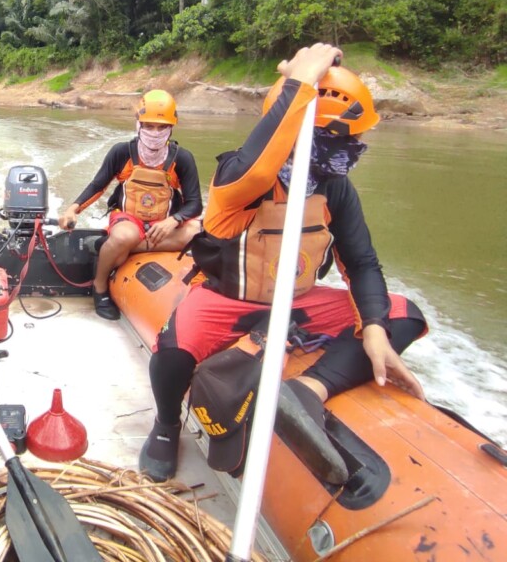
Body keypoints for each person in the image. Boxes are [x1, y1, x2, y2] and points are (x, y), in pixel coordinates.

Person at [139, 43, 428, 483]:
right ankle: (165, 424)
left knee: (402, 315)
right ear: (311, 134)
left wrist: (373, 326)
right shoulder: (239, 178)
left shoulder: (335, 188)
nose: (354, 149)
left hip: (299, 300)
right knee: (172, 354)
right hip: (228, 301)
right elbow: (258, 167)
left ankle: (309, 388)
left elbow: (362, 263)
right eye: (345, 139)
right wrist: (302, 79)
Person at [58, 89, 203, 320]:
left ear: (171, 127)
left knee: (195, 231)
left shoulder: (182, 158)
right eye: (149, 126)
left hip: (162, 224)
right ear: (138, 124)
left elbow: (195, 203)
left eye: (161, 127)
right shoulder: (122, 152)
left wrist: (172, 220)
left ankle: (110, 246)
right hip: (128, 219)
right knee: (125, 235)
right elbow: (98, 185)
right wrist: (73, 208)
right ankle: (100, 286)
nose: (155, 132)